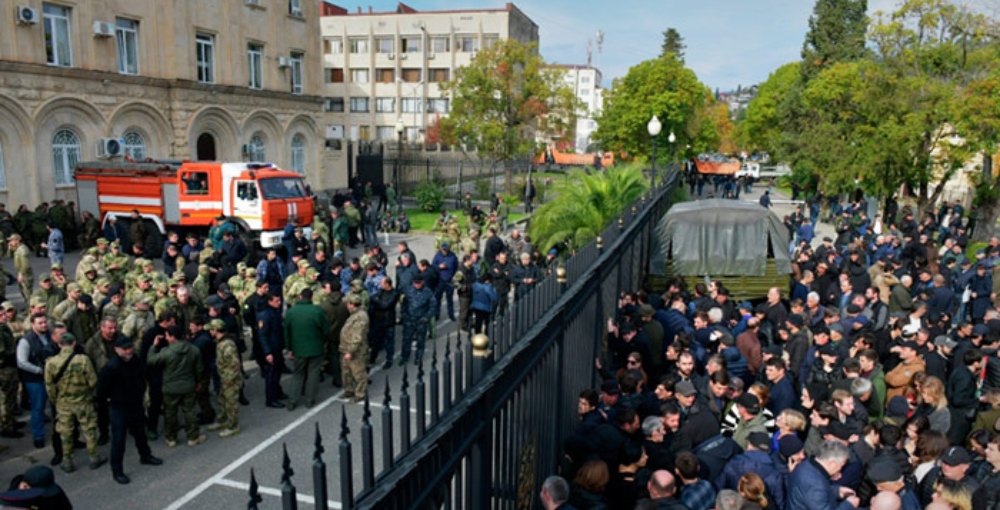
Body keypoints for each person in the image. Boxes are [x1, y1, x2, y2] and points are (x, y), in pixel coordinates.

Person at [96, 335, 163, 485]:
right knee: (119, 440)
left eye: (130, 347)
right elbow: (101, 391)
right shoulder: (111, 368)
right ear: (117, 349)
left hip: (135, 405)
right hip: (119, 408)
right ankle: (117, 471)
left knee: (140, 433)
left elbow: (142, 377)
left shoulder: (136, 361)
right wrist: (110, 401)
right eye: (125, 348)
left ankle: (145, 456)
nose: (128, 351)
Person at [44, 332, 107, 473]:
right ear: (74, 343)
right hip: (83, 402)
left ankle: (67, 462)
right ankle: (94, 457)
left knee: (65, 433)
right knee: (89, 430)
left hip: (64, 404)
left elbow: (49, 386)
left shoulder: (51, 362)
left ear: (59, 344)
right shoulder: (83, 359)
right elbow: (93, 381)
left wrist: (56, 401)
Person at [146, 325, 206, 448]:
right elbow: (199, 369)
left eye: (167, 336)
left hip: (170, 388)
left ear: (172, 337)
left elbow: (151, 361)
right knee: (190, 411)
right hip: (188, 385)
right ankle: (193, 437)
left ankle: (171, 438)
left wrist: (154, 346)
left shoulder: (166, 352)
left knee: (170, 413)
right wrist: (198, 381)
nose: (166, 338)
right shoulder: (193, 349)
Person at [17, 313, 59, 450]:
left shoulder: (49, 336)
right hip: (35, 380)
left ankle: (59, 432)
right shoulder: (26, 341)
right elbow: (22, 362)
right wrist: (39, 370)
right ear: (33, 324)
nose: (44, 325)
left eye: (45, 322)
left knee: (56, 407)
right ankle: (38, 435)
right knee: (38, 408)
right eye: (40, 323)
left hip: (51, 378)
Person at [283, 288, 328, 410]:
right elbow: (325, 330)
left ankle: (292, 400)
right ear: (312, 297)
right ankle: (310, 399)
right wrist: (322, 342)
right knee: (313, 374)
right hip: (316, 348)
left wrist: (289, 348)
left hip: (298, 349)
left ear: (300, 297)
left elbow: (287, 332)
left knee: (298, 374)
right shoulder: (317, 311)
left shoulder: (291, 312)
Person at [786, 440, 860, 510]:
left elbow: (811, 494)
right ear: (832, 463)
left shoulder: (806, 464)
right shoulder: (816, 485)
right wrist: (849, 504)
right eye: (841, 465)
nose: (839, 469)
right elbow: (816, 491)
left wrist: (837, 491)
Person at [205, 318, 243, 437]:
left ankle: (233, 426)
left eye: (211, 329)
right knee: (222, 399)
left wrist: (229, 380)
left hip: (230, 379)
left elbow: (234, 364)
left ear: (216, 330)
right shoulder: (220, 342)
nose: (210, 331)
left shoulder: (227, 344)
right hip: (224, 377)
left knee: (231, 403)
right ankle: (222, 420)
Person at [258, 292, 286, 408]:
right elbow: (262, 335)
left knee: (277, 372)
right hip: (271, 349)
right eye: (276, 301)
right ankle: (271, 398)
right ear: (269, 301)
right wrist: (267, 352)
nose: (279, 303)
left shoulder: (275, 312)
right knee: (271, 375)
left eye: (279, 301)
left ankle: (277, 392)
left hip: (277, 347)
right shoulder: (264, 315)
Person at [340, 293, 370, 403]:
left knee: (358, 373)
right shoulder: (354, 314)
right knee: (346, 372)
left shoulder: (360, 317)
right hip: (346, 348)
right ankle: (349, 390)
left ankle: (360, 393)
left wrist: (351, 351)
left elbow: (358, 336)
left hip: (355, 350)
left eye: (348, 303)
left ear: (352, 304)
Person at [0, 465, 73, 509]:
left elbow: (65, 507)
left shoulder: (53, 490)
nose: (45, 494)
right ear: (24, 486)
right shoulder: (11, 501)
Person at [400, 275, 435, 365]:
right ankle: (404, 357)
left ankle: (418, 357)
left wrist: (426, 317)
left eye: (418, 283)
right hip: (409, 320)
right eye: (415, 283)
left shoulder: (428, 292)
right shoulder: (408, 290)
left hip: (421, 320)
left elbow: (433, 306)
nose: (417, 285)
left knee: (420, 340)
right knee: (406, 340)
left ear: (423, 282)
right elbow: (404, 304)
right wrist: (404, 314)